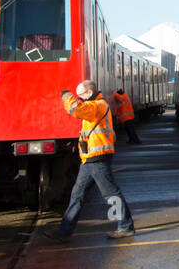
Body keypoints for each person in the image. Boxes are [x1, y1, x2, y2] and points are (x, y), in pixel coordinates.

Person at [42, 79, 135, 241]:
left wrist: (67, 96)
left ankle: (125, 227)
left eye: (80, 95)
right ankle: (64, 231)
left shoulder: (97, 105)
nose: (79, 99)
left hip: (97, 158)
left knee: (111, 193)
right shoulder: (95, 105)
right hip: (90, 158)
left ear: (89, 93)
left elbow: (75, 109)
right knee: (77, 194)